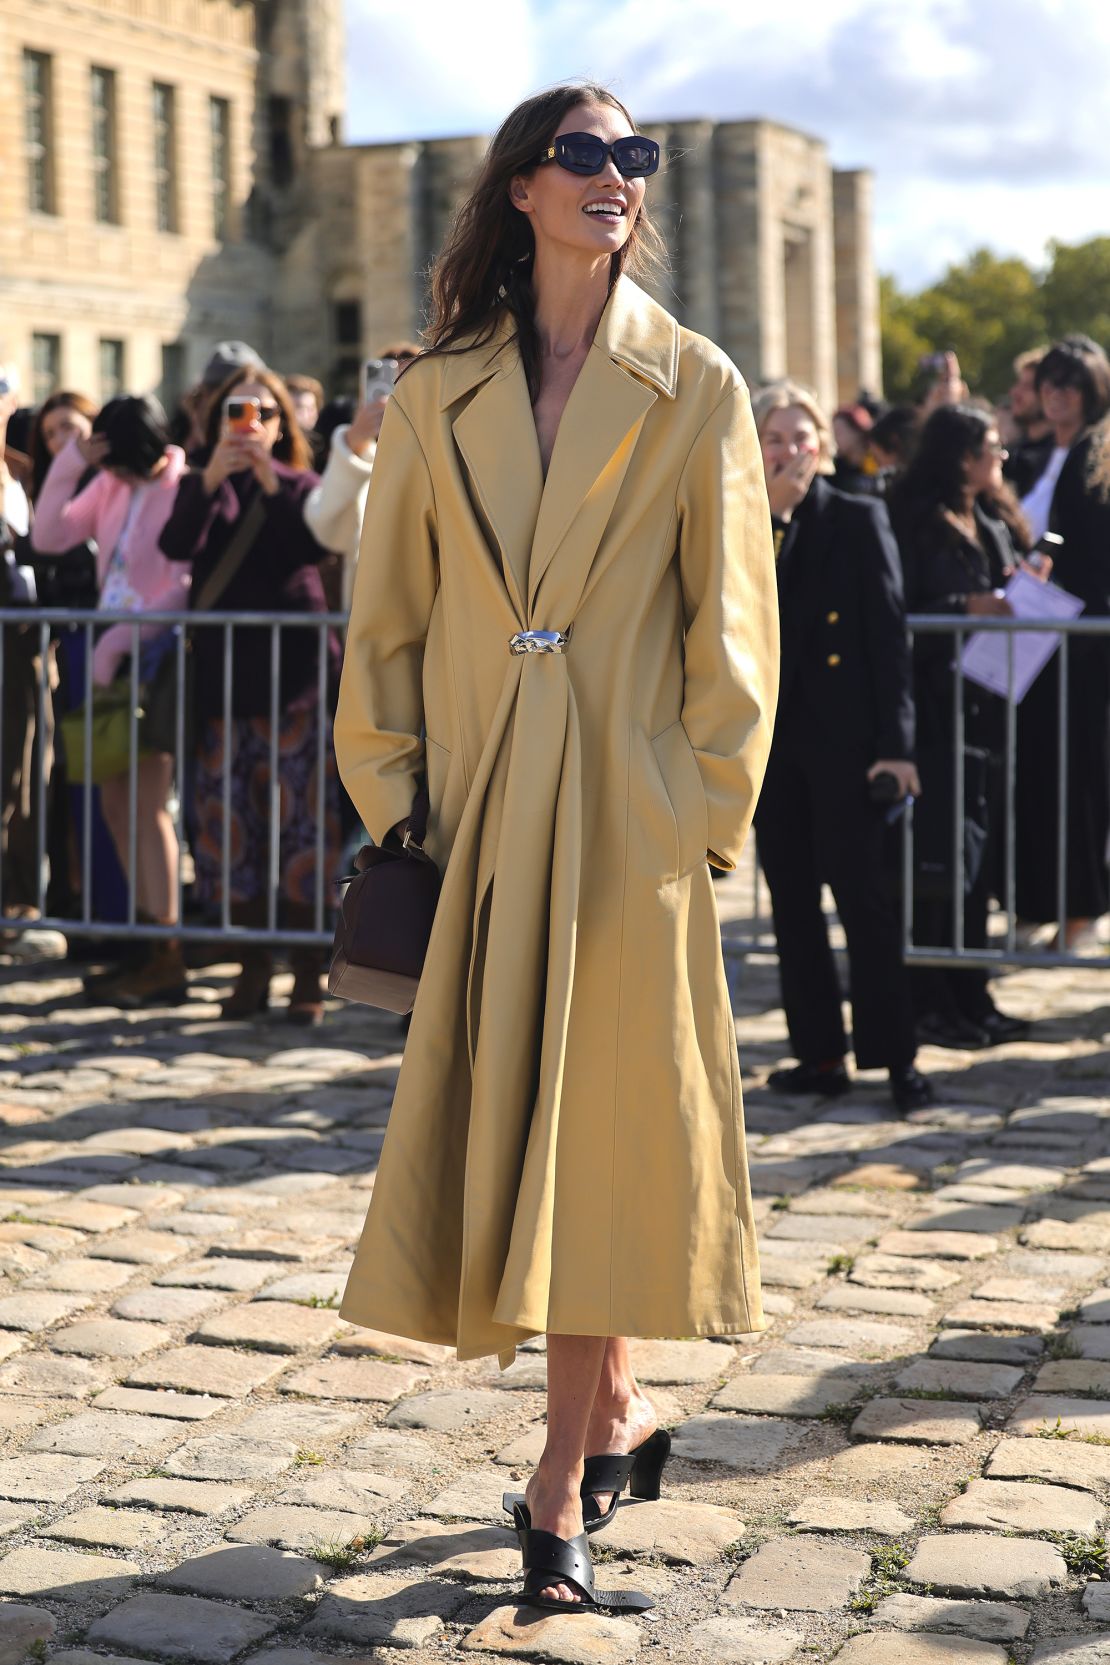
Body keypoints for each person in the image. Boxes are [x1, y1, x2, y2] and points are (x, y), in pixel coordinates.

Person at [333, 83, 778, 1614]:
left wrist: (700, 819)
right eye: (585, 154)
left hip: (627, 823)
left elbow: (733, 627)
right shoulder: (435, 388)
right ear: (522, 186)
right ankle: (617, 1419)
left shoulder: (696, 382)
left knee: (601, 1145)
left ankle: (551, 1486)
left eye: (634, 158)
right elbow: (383, 614)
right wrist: (392, 793)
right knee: (513, 1128)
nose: (617, 178)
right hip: (478, 812)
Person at [750, 381, 930, 1112]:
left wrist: (899, 744)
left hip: (850, 744)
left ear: (822, 444)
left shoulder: (857, 516)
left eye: (800, 436)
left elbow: (889, 635)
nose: (789, 450)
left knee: (864, 905)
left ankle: (897, 1061)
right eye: (773, 438)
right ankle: (820, 1053)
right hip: (773, 746)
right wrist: (770, 517)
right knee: (792, 906)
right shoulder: (742, 523)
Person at [159, 365, 340, 1025]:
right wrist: (211, 479)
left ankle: (306, 973)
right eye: (239, 411)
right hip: (224, 683)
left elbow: (311, 547)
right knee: (231, 832)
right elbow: (175, 544)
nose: (251, 423)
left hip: (295, 681)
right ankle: (251, 967)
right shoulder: (201, 486)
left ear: (282, 423)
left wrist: (270, 477)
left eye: (264, 412)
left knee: (301, 833)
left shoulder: (301, 484)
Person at [31, 396, 190, 1003]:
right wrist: (72, 461)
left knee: (148, 804)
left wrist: (124, 639)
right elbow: (49, 535)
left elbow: (181, 583)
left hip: (149, 664)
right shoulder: (108, 484)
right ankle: (145, 941)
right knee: (113, 803)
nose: (117, 475)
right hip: (108, 667)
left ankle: (166, 949)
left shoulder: (183, 485)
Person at [890, 404, 1034, 1043]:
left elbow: (1000, 586)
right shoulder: (916, 520)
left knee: (979, 857)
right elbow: (907, 609)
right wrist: (967, 605)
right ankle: (933, 1000)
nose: (1000, 458)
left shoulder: (994, 519)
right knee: (942, 859)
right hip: (937, 708)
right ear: (960, 456)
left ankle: (974, 994)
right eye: (990, 448)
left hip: (986, 703)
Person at [1014, 336, 1110, 945]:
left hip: (1082, 639)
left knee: (1081, 776)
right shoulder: (1031, 454)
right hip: (1037, 636)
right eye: (1049, 381)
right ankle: (1041, 901)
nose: (1057, 393)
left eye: (1070, 383)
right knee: (1039, 772)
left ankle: (1082, 909)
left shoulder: (1098, 455)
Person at [303, 346, 421, 610]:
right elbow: (326, 528)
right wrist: (352, 445)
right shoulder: (359, 456)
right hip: (373, 612)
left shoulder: (439, 450)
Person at [1003, 347, 1054, 498]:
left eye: (1027, 386)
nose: (1015, 393)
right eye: (1018, 384)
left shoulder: (1059, 456)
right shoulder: (1013, 452)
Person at [831, 402, 880, 495]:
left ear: (857, 431)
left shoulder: (877, 461)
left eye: (839, 432)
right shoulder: (835, 468)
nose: (835, 438)